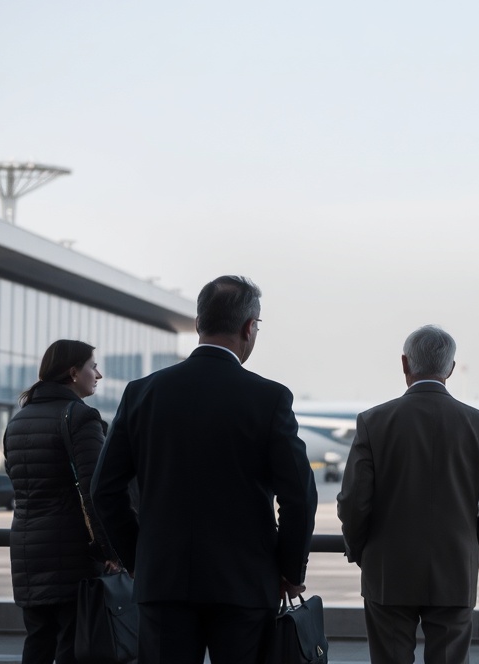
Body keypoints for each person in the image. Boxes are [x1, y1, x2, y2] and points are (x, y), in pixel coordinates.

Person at [90, 275, 317, 664]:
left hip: (163, 581)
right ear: (249, 328)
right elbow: (299, 496)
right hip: (245, 583)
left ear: (198, 324)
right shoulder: (269, 398)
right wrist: (289, 569)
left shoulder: (142, 393)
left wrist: (141, 557)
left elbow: (104, 490)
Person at [337, 324, 479, 664]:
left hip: (387, 569)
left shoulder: (373, 422)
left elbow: (353, 502)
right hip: (454, 570)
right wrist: (476, 544)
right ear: (450, 368)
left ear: (405, 364)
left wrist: (361, 549)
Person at [4, 339, 120, 664]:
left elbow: (20, 483)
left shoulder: (18, 421)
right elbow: (94, 490)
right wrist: (113, 551)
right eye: (92, 366)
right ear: (73, 372)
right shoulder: (80, 417)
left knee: (38, 643)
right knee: (73, 645)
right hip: (71, 556)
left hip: (28, 554)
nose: (98, 374)